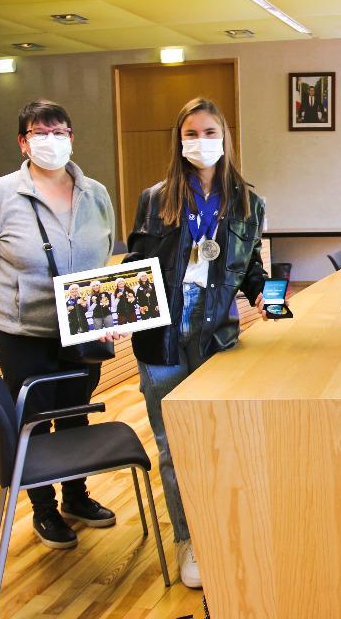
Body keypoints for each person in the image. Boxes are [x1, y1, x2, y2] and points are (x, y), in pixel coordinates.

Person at [126, 97, 272, 590]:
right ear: (179, 139)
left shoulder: (249, 202)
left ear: (225, 139)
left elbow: (251, 270)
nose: (201, 141)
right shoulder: (155, 198)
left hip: (216, 341)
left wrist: (271, 300)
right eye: (192, 132)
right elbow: (135, 265)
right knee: (172, 447)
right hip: (161, 342)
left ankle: (224, 528)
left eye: (211, 132)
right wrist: (111, 310)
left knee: (219, 441)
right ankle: (188, 538)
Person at [0, 99, 117, 550]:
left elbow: (104, 253)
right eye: (38, 132)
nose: (50, 140)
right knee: (33, 420)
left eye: (59, 131)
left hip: (83, 330)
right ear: (22, 141)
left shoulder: (96, 193)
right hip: (22, 334)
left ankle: (76, 496)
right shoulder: (0, 194)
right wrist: (13, 299)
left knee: (76, 413)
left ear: (72, 136)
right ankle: (43, 508)